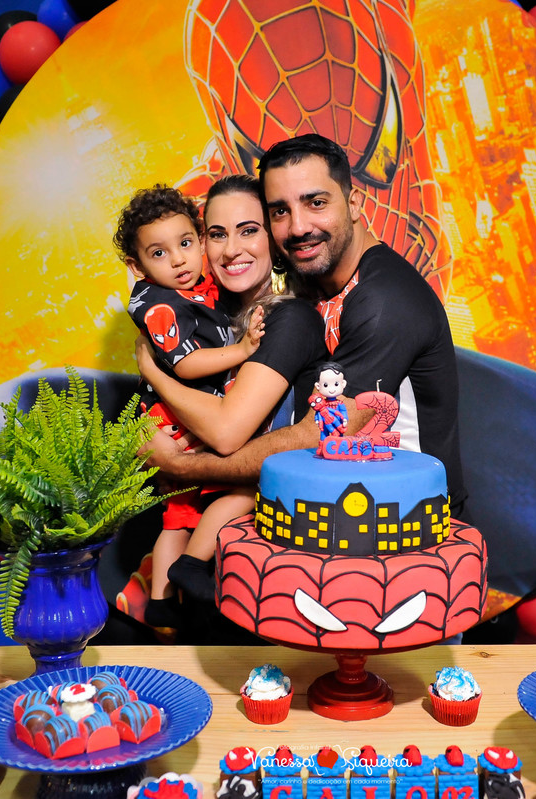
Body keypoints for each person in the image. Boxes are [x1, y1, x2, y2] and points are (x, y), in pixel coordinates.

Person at [145, 134, 467, 516]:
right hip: (342, 504)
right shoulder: (309, 279)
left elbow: (319, 433)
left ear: (353, 204)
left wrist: (182, 467)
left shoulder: (385, 301)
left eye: (316, 203)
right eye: (280, 211)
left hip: (410, 518)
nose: (298, 227)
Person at [126, 174, 329, 610]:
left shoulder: (288, 319)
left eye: (249, 230)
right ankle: (163, 600)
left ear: (274, 240)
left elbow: (224, 433)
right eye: (218, 234)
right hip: (208, 521)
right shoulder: (204, 309)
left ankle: (177, 583)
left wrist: (152, 372)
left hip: (268, 539)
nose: (231, 249)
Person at [115, 184, 266, 627]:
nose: (179, 260)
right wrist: (242, 350)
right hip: (176, 422)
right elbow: (187, 364)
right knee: (212, 502)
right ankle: (175, 586)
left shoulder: (199, 286)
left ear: (199, 241)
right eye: (159, 253)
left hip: (192, 414)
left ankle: (165, 602)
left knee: (180, 517)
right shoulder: (159, 306)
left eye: (185, 243)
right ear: (137, 266)